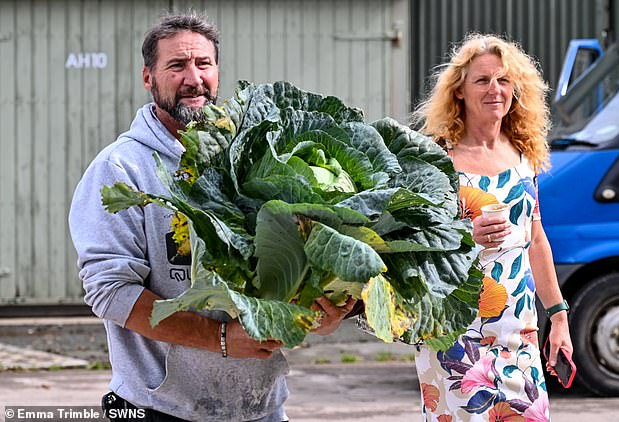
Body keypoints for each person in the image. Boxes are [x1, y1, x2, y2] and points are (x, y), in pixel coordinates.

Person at [68, 12, 354, 422]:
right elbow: (110, 292)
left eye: (203, 64)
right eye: (177, 66)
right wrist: (219, 338)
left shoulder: (253, 154)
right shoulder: (121, 169)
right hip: (161, 408)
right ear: (148, 78)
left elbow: (290, 263)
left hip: (263, 407)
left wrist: (323, 312)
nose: (194, 78)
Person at [411, 33, 573, 421]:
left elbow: (535, 239)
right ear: (460, 92)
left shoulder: (523, 156)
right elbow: (411, 243)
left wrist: (559, 317)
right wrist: (467, 238)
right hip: (454, 333)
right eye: (482, 81)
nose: (495, 90)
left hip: (521, 335)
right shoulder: (437, 158)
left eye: (503, 80)